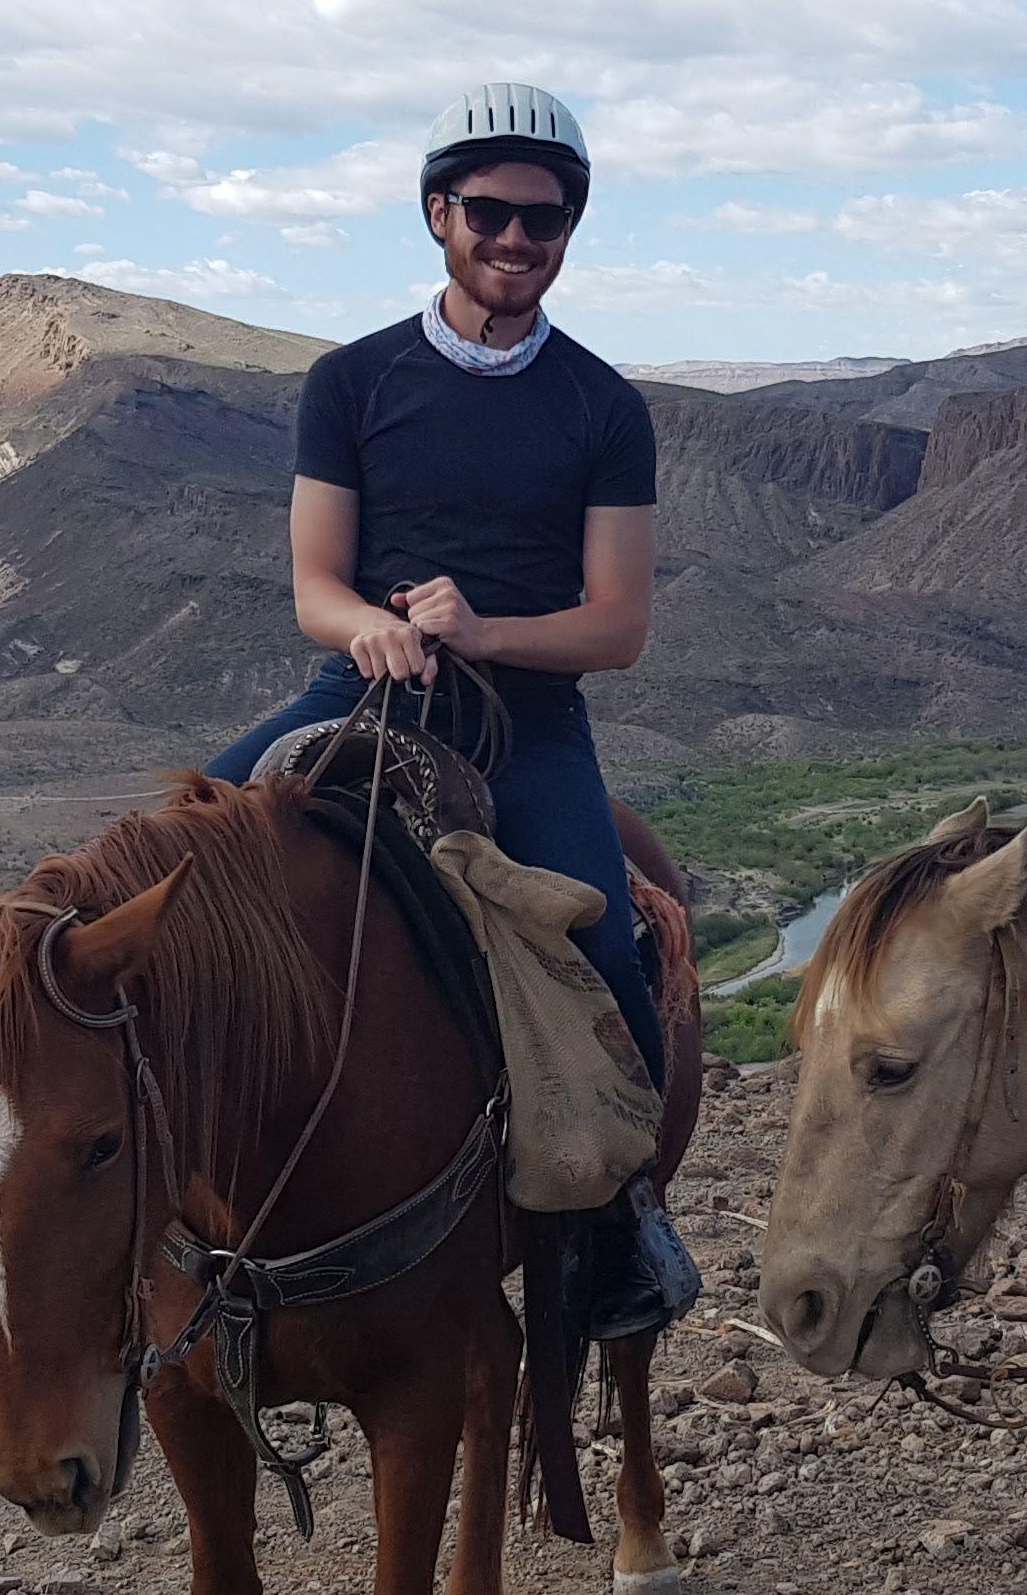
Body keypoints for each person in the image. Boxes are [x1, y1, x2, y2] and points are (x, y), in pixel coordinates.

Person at [206, 79, 703, 1339]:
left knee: (607, 963)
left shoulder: (601, 408)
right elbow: (317, 583)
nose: (519, 240)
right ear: (440, 214)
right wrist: (368, 625)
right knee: (172, 864)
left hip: (525, 723)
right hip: (358, 687)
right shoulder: (353, 381)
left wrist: (485, 632)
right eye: (491, 212)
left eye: (547, 220)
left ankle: (618, 1227)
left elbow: (618, 627)